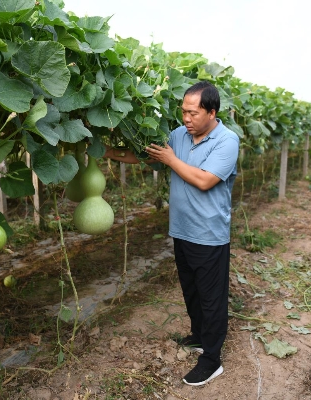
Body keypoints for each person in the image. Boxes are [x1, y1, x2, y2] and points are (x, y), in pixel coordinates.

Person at [103, 80, 239, 386]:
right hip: (182, 229)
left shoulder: (226, 141)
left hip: (209, 234)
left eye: (193, 113)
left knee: (211, 298)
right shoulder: (179, 135)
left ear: (212, 112)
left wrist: (171, 159)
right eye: (183, 112)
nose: (186, 118)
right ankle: (199, 336)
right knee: (191, 290)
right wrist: (106, 151)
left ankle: (212, 359)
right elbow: (149, 156)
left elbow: (205, 180)